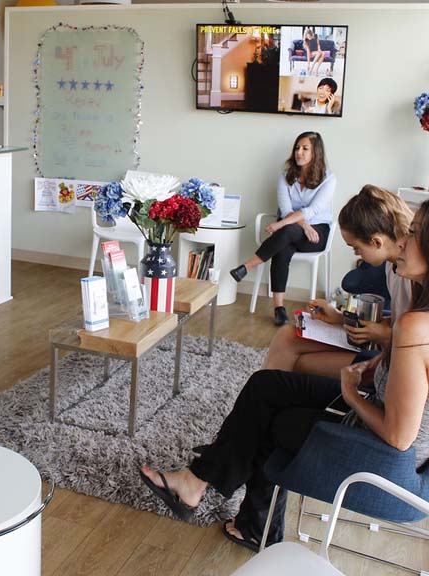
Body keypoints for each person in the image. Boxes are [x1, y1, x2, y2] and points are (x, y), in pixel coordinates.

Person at [141, 200, 429, 551]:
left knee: (273, 422)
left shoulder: (416, 324)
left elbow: (399, 437)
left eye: (413, 235)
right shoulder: (417, 307)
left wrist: (351, 392)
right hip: (383, 424)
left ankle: (242, 516)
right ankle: (208, 488)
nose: (402, 242)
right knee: (266, 386)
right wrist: (378, 364)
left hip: (386, 459)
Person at [262, 186, 413, 378]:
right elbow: (398, 320)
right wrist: (341, 318)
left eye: (356, 248)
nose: (356, 253)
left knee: (299, 363)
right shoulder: (392, 266)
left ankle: (267, 398)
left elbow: (417, 341)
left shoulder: (413, 273)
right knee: (286, 335)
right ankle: (263, 398)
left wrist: (385, 336)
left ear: (376, 242)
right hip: (387, 344)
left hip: (399, 362)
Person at [230, 132, 336, 326]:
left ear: (316, 153)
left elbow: (313, 210)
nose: (299, 153)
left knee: (285, 233)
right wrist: (300, 224)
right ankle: (279, 308)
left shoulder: (328, 179)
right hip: (292, 229)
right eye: (297, 148)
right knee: (284, 245)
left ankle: (248, 265)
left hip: (317, 232)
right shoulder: (285, 177)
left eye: (305, 149)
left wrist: (281, 224)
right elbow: (286, 210)